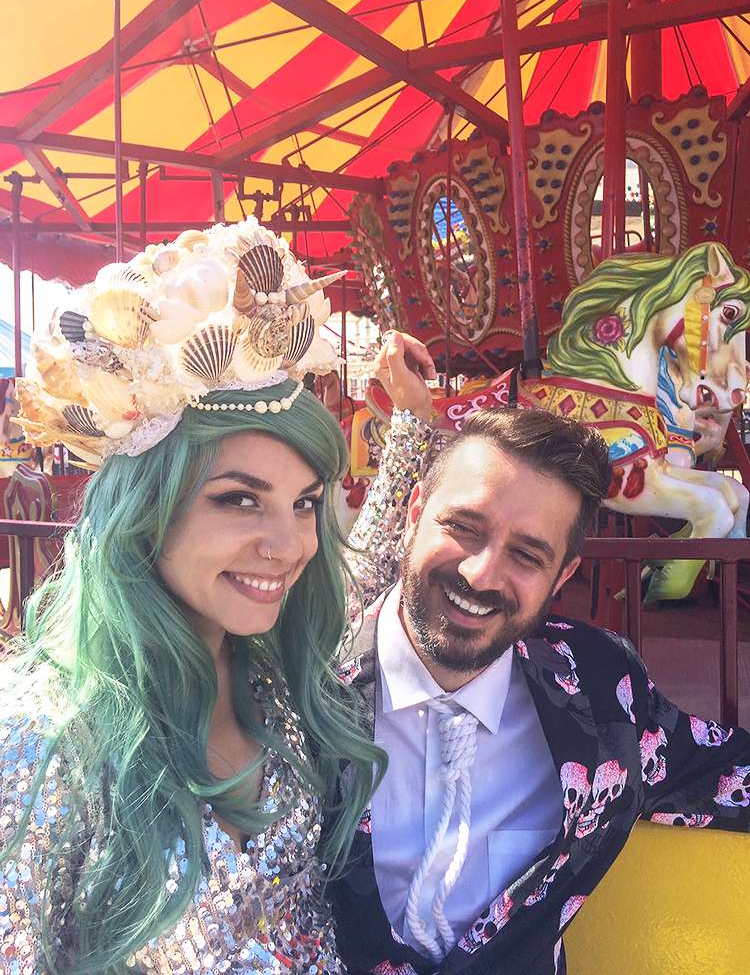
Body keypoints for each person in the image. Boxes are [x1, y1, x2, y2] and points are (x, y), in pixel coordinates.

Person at [0, 220, 396, 975]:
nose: (288, 545)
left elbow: (369, 571)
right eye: (240, 500)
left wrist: (413, 428)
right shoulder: (40, 740)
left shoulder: (281, 688)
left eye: (305, 503)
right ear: (145, 511)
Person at [330, 332, 750, 975]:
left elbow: (723, 768)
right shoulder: (301, 685)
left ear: (562, 577)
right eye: (463, 527)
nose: (480, 573)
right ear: (414, 513)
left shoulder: (600, 692)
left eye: (527, 555)